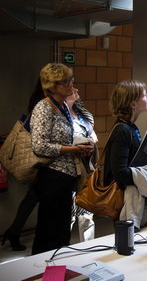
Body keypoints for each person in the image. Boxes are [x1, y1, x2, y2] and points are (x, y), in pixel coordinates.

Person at [30, 63, 93, 255]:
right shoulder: (44, 107)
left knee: (62, 231)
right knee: (49, 231)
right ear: (52, 86)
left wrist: (79, 149)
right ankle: (42, 270)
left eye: (70, 80)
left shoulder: (63, 106)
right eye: (65, 82)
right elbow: (39, 146)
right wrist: (72, 148)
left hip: (66, 177)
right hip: (52, 177)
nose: (70, 84)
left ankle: (58, 270)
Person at [2, 79, 44, 251]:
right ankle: (14, 232)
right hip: (40, 157)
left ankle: (13, 232)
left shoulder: (36, 99)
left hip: (37, 156)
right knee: (34, 197)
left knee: (32, 197)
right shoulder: (44, 104)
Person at [104, 80, 147, 189]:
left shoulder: (130, 126)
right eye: (144, 95)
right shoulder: (122, 130)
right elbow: (120, 173)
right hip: (122, 197)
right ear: (133, 103)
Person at [66, 87, 98, 242]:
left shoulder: (81, 112)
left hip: (85, 168)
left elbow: (93, 134)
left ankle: (87, 247)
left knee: (86, 212)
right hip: (69, 169)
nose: (76, 89)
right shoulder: (60, 115)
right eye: (71, 88)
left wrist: (90, 140)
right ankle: (61, 248)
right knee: (68, 215)